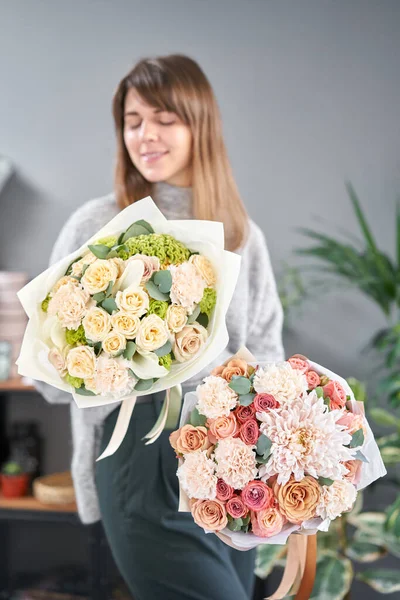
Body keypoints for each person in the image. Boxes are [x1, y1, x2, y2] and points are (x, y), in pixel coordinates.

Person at [35, 54, 284, 600]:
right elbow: (44, 373)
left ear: (200, 124)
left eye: (164, 118)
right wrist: (107, 362)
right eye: (133, 121)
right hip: (139, 452)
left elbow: (266, 350)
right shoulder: (96, 226)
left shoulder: (243, 234)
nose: (146, 135)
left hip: (235, 458)